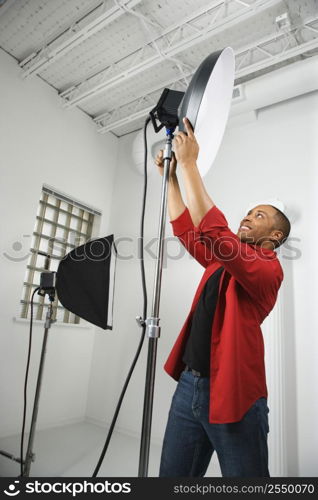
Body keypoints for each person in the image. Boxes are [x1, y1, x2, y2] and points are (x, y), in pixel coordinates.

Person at [155, 117, 291, 477]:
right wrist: (171, 179)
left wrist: (189, 164)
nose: (247, 217)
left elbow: (214, 230)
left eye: (258, 215)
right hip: (189, 387)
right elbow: (188, 230)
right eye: (248, 212)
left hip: (235, 394)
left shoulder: (267, 269)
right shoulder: (222, 261)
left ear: (275, 236)